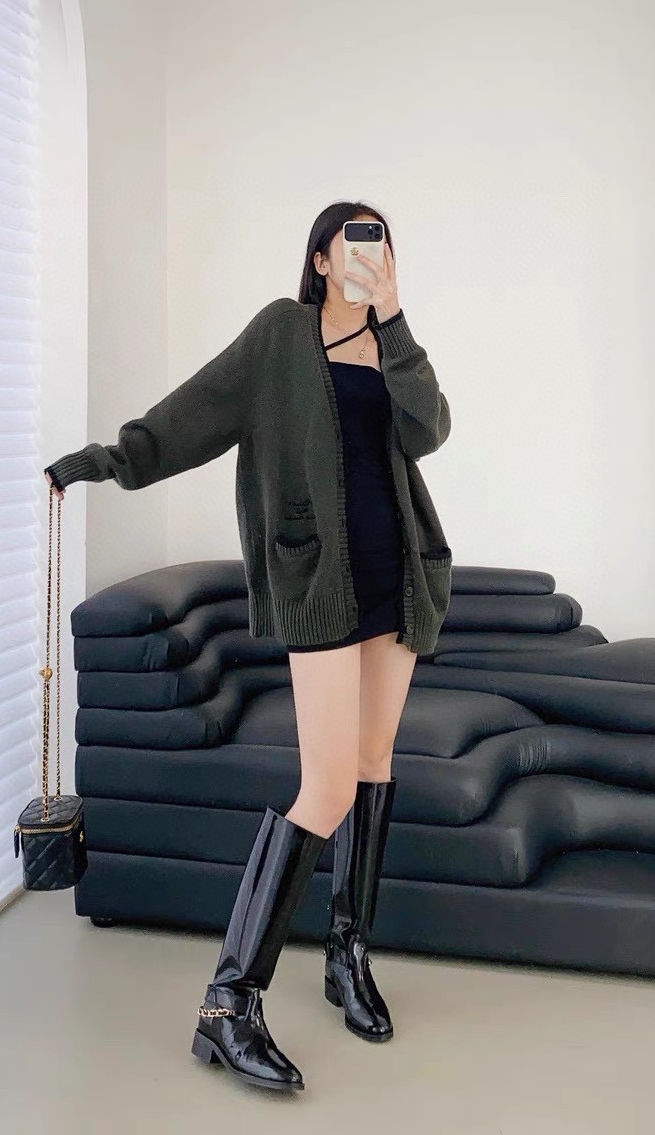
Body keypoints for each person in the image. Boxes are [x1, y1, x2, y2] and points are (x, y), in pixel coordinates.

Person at [44, 201, 451, 1094]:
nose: (370, 253)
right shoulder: (280, 335)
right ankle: (228, 1004)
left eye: (383, 241)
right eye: (355, 239)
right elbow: (197, 411)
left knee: (375, 764)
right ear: (320, 256)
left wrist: (395, 320)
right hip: (319, 585)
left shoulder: (391, 344)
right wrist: (109, 460)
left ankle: (346, 955)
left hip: (397, 575)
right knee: (327, 786)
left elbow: (429, 433)